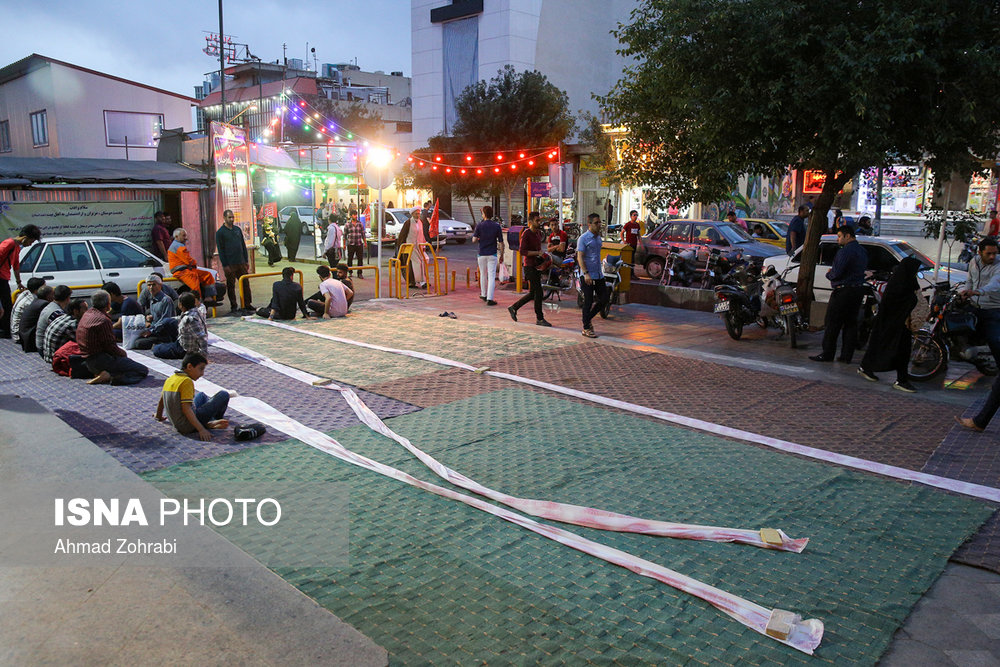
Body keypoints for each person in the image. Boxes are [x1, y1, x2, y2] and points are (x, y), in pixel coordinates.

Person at [858, 257, 921, 392]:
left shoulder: (904, 282)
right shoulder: (900, 285)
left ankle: (868, 367)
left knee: (892, 349)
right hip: (896, 325)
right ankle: (901, 379)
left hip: (897, 325)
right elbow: (899, 304)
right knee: (899, 351)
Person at [810, 225, 869, 364]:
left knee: (832, 323)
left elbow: (837, 273)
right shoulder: (862, 251)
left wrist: (829, 273)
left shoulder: (845, 252)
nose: (838, 239)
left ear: (847, 236)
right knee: (850, 324)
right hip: (857, 290)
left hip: (843, 291)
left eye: (839, 236)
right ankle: (846, 356)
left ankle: (827, 353)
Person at [76, 289, 149, 385]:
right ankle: (111, 376)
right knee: (142, 370)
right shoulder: (103, 320)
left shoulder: (87, 314)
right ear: (108, 304)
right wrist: (123, 354)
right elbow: (110, 347)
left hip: (88, 361)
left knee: (126, 363)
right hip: (101, 360)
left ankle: (105, 373)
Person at [155, 352, 230, 441]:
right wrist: (201, 430)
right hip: (187, 426)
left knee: (202, 395)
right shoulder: (186, 381)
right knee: (223, 395)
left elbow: (161, 400)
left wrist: (159, 416)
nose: (202, 373)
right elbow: (186, 409)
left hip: (177, 422)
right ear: (190, 367)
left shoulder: (171, 378)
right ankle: (212, 420)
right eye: (201, 369)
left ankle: (207, 421)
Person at [960, 237, 1000, 364]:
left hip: (993, 308)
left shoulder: (998, 265)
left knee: (994, 340)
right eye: (989, 253)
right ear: (980, 252)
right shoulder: (974, 261)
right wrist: (966, 292)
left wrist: (978, 292)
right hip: (974, 305)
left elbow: (995, 284)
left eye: (995, 253)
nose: (992, 256)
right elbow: (970, 280)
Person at [507, 212, 551, 327]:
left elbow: (539, 250)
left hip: (537, 266)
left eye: (539, 220)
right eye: (537, 220)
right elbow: (522, 252)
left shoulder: (538, 234)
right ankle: (540, 318)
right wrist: (537, 253)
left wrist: (543, 257)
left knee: (533, 293)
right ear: (530, 222)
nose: (539, 223)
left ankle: (514, 307)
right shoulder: (526, 234)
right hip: (529, 266)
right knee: (538, 292)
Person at [0, 224, 42, 338]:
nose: (30, 244)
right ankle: (5, 331)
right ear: (25, 238)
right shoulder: (9, 244)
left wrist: (19, 282)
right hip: (1, 278)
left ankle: (5, 330)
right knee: (6, 306)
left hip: (4, 278)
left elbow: (16, 265)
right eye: (31, 241)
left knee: (7, 305)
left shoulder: (17, 247)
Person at [577, 213, 609, 338]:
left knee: (604, 299)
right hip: (587, 275)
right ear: (589, 224)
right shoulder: (583, 238)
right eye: (596, 223)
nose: (599, 225)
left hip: (598, 274)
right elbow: (580, 257)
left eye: (599, 222)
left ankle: (587, 319)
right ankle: (586, 327)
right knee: (588, 301)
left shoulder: (598, 238)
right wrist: (585, 273)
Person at [215, 209, 252, 313]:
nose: (231, 219)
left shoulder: (237, 230)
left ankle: (247, 304)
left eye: (232, 217)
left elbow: (243, 245)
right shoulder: (220, 232)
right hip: (230, 264)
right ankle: (234, 306)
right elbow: (221, 249)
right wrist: (225, 265)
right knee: (231, 285)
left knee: (245, 283)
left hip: (241, 262)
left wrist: (246, 260)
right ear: (224, 218)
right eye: (229, 217)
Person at [154, 292, 207, 359]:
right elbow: (179, 319)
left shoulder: (190, 319)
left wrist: (203, 356)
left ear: (181, 305)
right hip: (183, 340)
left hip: (185, 350)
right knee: (168, 321)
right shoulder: (195, 311)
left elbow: (202, 338)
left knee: (156, 349)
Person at [168, 228, 217, 302]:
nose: (186, 238)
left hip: (185, 270)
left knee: (207, 275)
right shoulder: (179, 247)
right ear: (177, 237)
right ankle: (198, 303)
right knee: (195, 284)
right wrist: (194, 262)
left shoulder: (177, 246)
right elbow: (188, 261)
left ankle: (208, 298)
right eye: (183, 236)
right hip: (181, 272)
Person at [472, 205, 504, 305]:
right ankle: (490, 298)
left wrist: (479, 238)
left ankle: (483, 294)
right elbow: (501, 242)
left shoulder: (479, 225)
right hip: (492, 254)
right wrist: (502, 254)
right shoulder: (496, 226)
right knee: (491, 276)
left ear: (484, 214)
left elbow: (473, 240)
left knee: (483, 274)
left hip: (481, 254)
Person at [41, 298, 87, 364]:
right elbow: (84, 343)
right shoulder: (72, 324)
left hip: (48, 356)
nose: (88, 312)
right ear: (76, 311)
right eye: (85, 309)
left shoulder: (62, 317)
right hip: (57, 360)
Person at [36, 284, 72, 354]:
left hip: (41, 345)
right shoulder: (56, 313)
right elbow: (67, 331)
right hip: (45, 349)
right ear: (68, 298)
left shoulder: (51, 306)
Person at [19, 285, 54, 353]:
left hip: (25, 334)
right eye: (52, 294)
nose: (54, 296)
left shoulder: (36, 301)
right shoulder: (44, 304)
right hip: (30, 337)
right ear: (48, 296)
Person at [11, 277, 45, 344]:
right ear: (37, 290)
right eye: (44, 287)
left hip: (17, 333)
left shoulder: (26, 293)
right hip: (20, 336)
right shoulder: (31, 301)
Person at [344, 212, 366, 278]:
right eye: (354, 214)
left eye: (356, 214)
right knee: (350, 259)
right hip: (351, 244)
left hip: (359, 244)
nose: (355, 216)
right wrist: (344, 244)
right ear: (351, 216)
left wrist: (365, 242)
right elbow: (345, 235)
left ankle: (359, 273)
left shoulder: (360, 224)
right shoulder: (348, 224)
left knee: (360, 259)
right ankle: (350, 272)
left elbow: (363, 234)